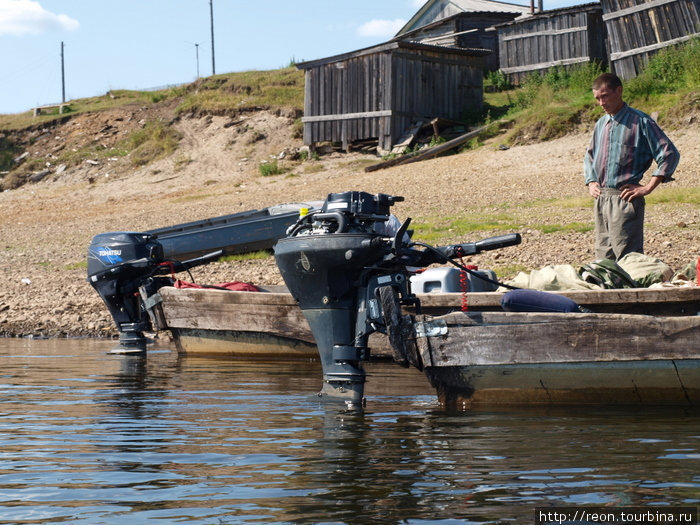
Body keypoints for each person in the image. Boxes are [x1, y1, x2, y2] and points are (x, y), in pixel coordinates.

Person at [583, 72, 680, 261]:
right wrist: (591, 181)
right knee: (603, 260)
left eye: (605, 96)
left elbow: (669, 154)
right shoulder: (601, 124)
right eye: (597, 98)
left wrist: (648, 187)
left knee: (629, 258)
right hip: (601, 199)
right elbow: (589, 156)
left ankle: (633, 291)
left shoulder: (641, 122)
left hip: (625, 198)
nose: (601, 103)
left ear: (619, 91)